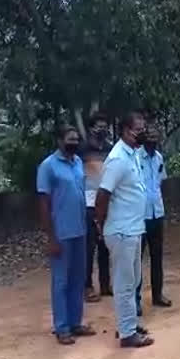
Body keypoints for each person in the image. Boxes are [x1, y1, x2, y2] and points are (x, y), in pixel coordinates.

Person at [95, 111, 154, 348]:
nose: (142, 133)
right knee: (124, 282)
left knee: (134, 279)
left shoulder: (134, 154)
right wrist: (100, 224)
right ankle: (127, 333)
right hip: (121, 230)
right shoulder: (118, 158)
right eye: (138, 130)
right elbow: (102, 195)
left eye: (143, 128)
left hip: (133, 228)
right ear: (125, 131)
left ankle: (127, 323)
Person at [37, 125, 96, 345]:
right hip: (60, 232)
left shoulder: (78, 162)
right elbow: (43, 204)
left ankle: (75, 322)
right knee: (60, 281)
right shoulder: (48, 167)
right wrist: (50, 237)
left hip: (80, 229)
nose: (74, 142)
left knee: (78, 279)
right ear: (59, 140)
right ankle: (61, 327)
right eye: (70, 139)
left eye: (76, 139)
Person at [137, 125, 172, 310]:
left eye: (155, 136)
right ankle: (136, 300)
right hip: (140, 215)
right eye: (149, 135)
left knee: (157, 257)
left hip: (157, 213)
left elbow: (161, 182)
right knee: (138, 259)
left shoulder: (158, 157)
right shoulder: (136, 157)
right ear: (143, 138)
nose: (152, 139)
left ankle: (158, 295)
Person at [81, 113, 112, 302]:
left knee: (105, 246)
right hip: (88, 202)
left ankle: (105, 284)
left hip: (107, 201)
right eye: (98, 126)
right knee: (89, 246)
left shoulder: (110, 149)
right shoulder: (82, 150)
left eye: (104, 126)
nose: (102, 130)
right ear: (90, 128)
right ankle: (87, 286)